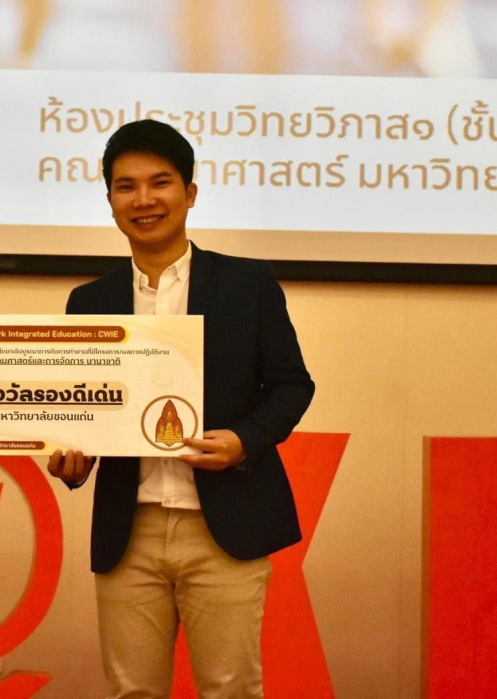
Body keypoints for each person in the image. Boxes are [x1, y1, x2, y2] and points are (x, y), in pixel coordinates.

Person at [47, 119, 315, 698]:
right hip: (129, 530)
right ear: (110, 201)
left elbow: (293, 386)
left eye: (160, 182)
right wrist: (74, 461)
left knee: (231, 689)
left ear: (190, 193)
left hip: (224, 528)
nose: (143, 199)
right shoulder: (89, 302)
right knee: (132, 692)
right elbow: (82, 415)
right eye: (126, 186)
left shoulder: (248, 284)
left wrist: (243, 441)